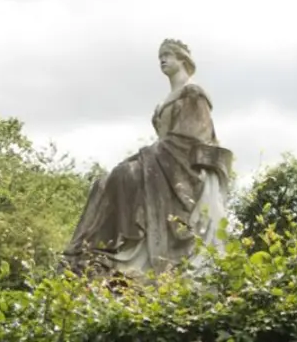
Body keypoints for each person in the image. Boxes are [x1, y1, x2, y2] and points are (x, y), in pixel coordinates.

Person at [63, 38, 233, 277]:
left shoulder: (193, 93)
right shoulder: (162, 103)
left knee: (124, 175)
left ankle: (131, 244)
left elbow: (192, 138)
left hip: (181, 168)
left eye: (168, 55)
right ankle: (91, 251)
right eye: (160, 56)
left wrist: (146, 155)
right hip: (162, 164)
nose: (163, 60)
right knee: (102, 183)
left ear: (182, 59)